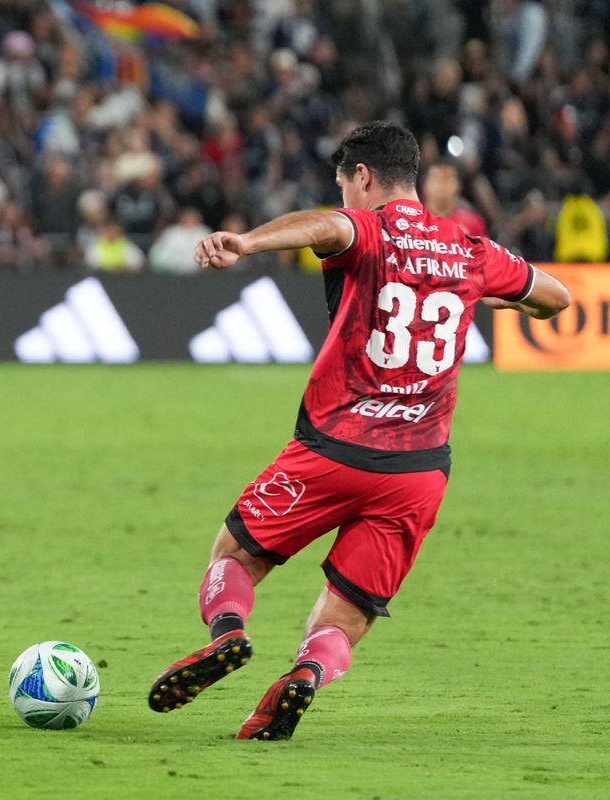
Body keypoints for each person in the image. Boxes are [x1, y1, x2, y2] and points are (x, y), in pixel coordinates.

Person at [147, 121, 569, 740]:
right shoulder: (472, 251)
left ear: (363, 177)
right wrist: (475, 294)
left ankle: (229, 634)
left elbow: (326, 226)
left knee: (233, 554)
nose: (345, 198)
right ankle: (308, 674)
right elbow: (555, 298)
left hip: (333, 450)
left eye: (344, 185)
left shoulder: (368, 227)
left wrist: (247, 242)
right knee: (349, 612)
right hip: (419, 472)